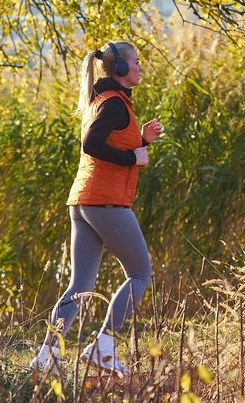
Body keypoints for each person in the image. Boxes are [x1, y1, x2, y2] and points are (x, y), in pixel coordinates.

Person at [29, 41, 163, 376]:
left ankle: (46, 356)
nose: (140, 67)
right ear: (119, 69)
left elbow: (106, 142)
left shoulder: (102, 99)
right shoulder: (115, 104)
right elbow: (91, 144)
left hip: (84, 200)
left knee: (81, 285)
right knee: (140, 274)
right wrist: (134, 156)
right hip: (105, 201)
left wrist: (141, 142)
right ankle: (104, 347)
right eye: (135, 62)